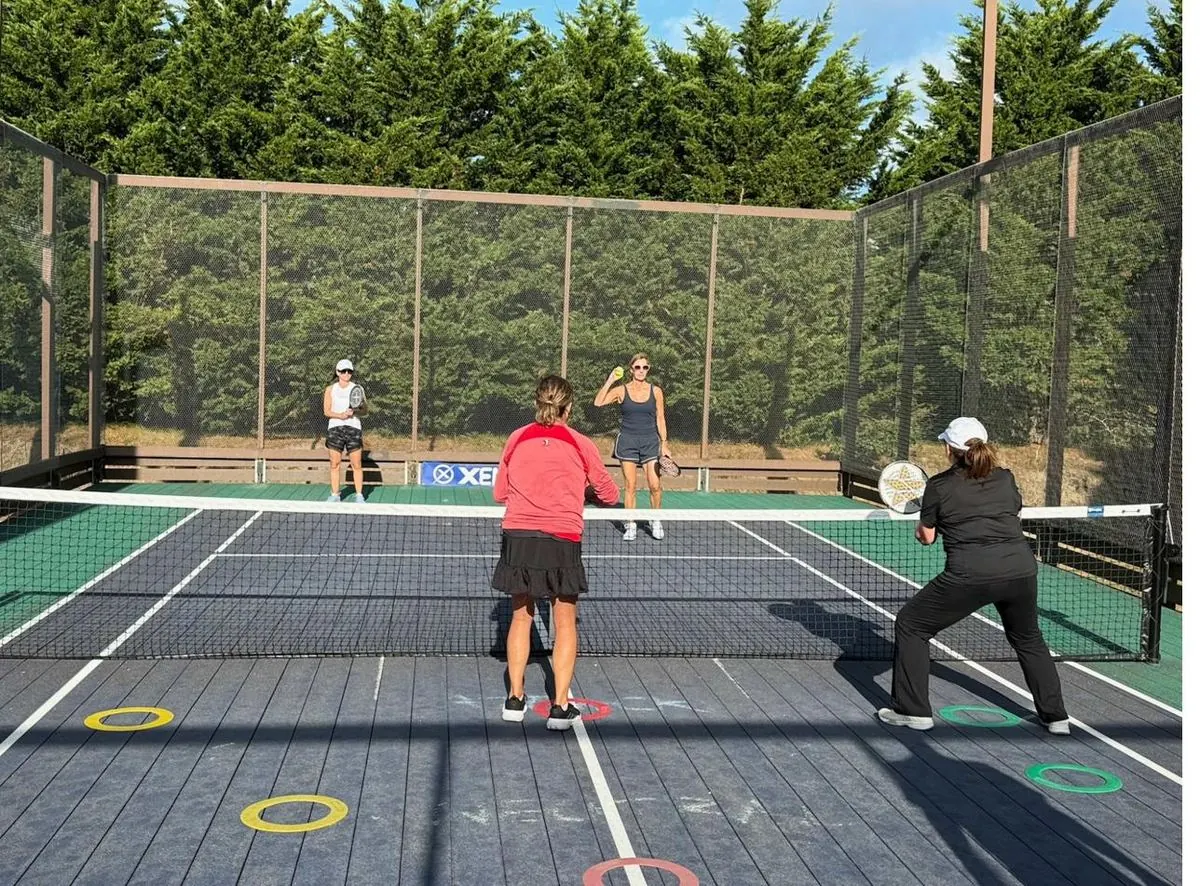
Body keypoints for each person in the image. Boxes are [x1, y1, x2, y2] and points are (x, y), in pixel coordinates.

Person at [878, 417, 1070, 735]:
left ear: (949, 449)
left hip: (970, 576)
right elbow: (1011, 513)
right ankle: (1056, 717)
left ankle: (913, 712)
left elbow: (926, 537)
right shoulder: (1006, 479)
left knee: (911, 625)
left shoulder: (938, 486)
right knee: (1029, 638)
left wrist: (923, 520)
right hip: (1020, 571)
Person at [492, 375, 620, 729]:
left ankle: (514, 700)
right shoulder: (580, 443)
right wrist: (585, 492)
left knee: (521, 617)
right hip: (563, 536)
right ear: (570, 406)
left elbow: (500, 492)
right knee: (565, 623)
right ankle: (560, 707)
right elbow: (609, 494)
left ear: (537, 402)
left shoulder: (516, 438)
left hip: (518, 534)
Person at [593, 353, 671, 541]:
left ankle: (655, 520)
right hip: (628, 442)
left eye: (645, 367)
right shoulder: (621, 391)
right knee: (630, 485)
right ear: (631, 370)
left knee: (655, 485)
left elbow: (660, 418)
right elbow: (598, 402)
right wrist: (611, 379)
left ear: (648, 369)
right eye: (637, 367)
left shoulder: (656, 391)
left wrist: (665, 444)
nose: (641, 371)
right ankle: (630, 524)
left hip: (650, 442)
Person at [324, 358, 367, 502]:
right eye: (343, 371)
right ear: (337, 372)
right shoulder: (330, 389)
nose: (346, 374)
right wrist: (341, 415)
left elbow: (365, 411)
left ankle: (359, 495)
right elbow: (327, 411)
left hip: (353, 428)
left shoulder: (358, 389)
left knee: (356, 464)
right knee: (335, 464)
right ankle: (335, 494)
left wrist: (355, 412)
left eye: (349, 371)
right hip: (335, 429)